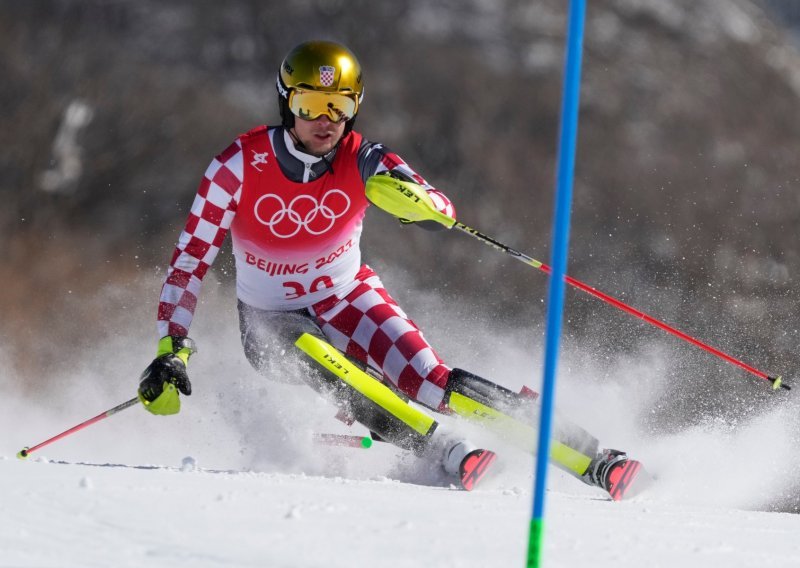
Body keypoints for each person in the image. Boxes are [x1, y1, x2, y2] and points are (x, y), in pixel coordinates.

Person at [137, 40, 644, 497]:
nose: (326, 120)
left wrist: (415, 202)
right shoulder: (239, 165)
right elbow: (190, 260)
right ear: (286, 103)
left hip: (348, 295)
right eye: (310, 104)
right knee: (314, 355)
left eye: (340, 106)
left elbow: (439, 209)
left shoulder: (364, 158)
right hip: (272, 319)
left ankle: (594, 460)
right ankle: (446, 450)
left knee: (431, 381)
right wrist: (172, 347)